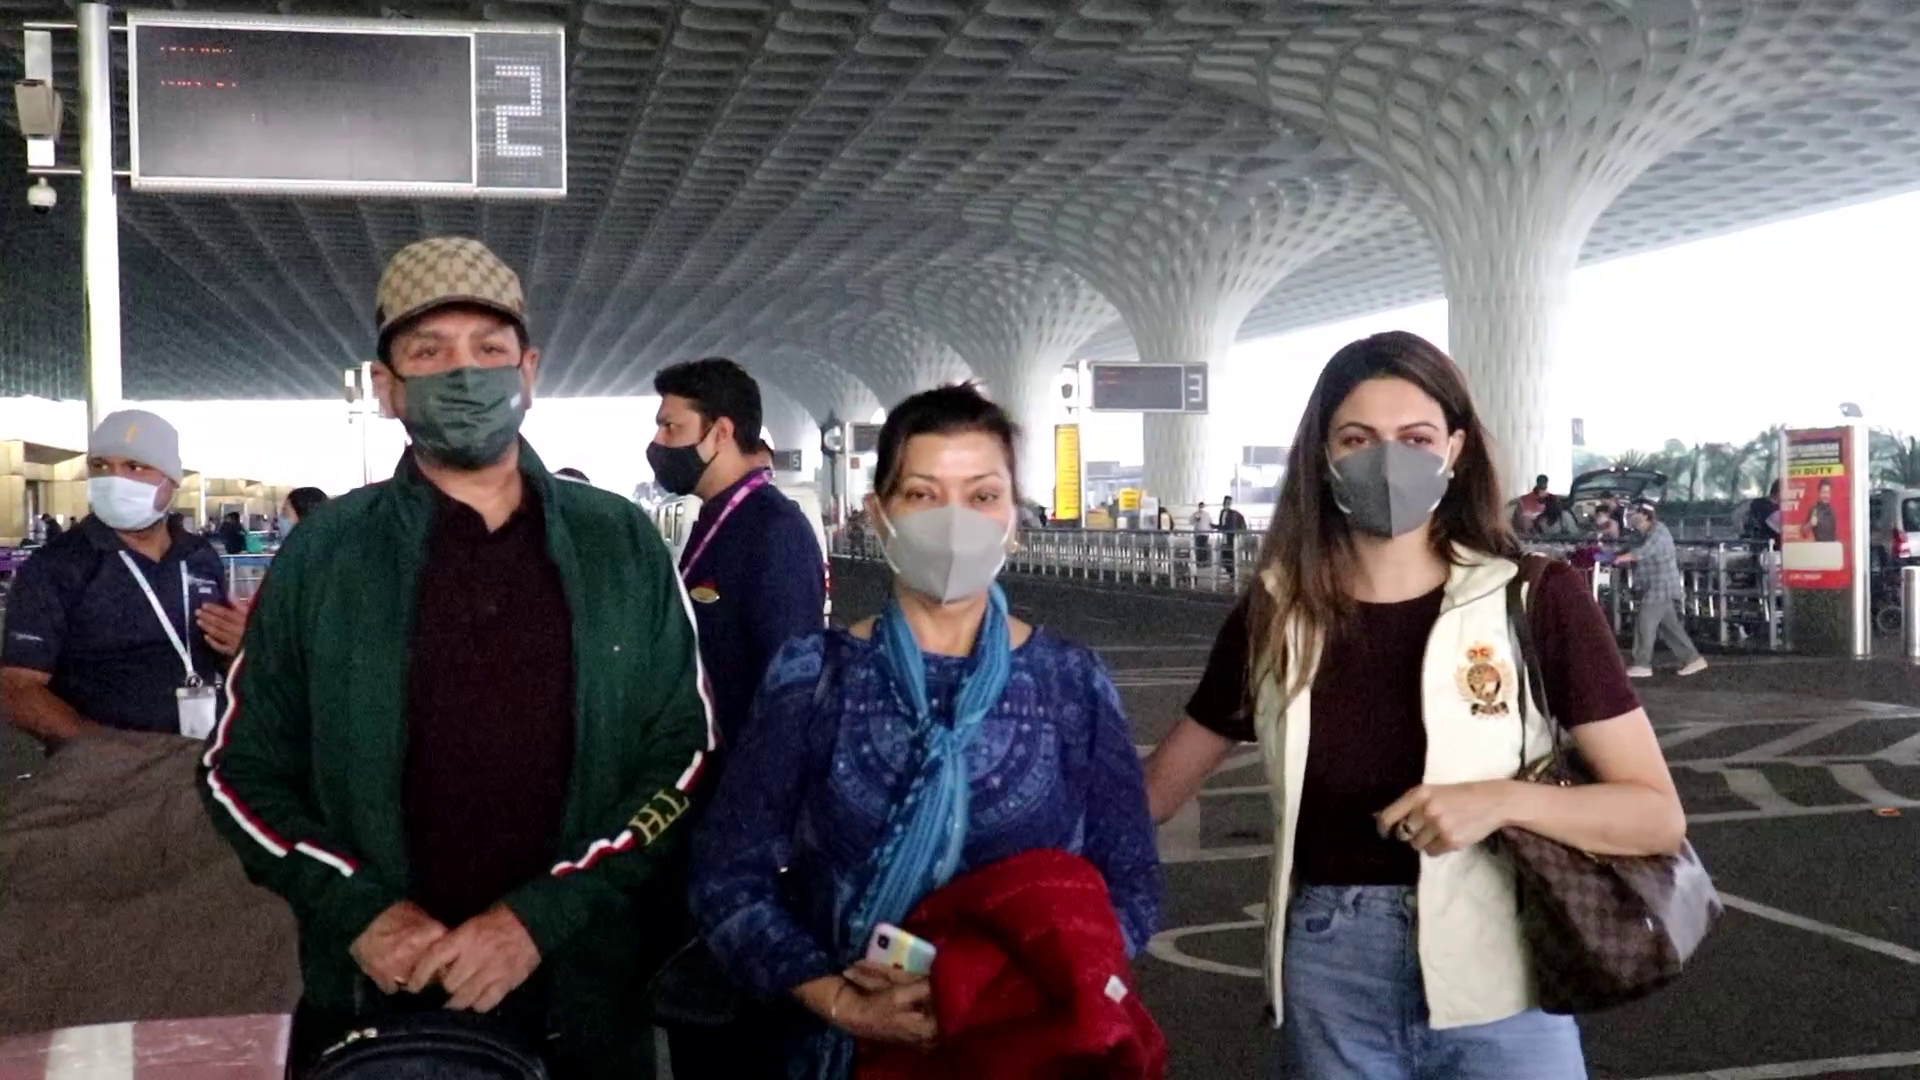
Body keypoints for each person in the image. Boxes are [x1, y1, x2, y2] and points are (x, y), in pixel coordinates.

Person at [198, 237, 714, 1080]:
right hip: (373, 1009)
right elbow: (238, 770)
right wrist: (361, 913)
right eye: (428, 353)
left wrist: (539, 919)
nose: (463, 374)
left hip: (586, 1005)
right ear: (388, 387)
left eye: (489, 350)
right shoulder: (327, 554)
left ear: (529, 372)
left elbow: (682, 760)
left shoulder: (618, 543)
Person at [1141, 331, 1684, 1080]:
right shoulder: (1275, 615)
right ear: (1324, 456)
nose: (1387, 459)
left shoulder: (1535, 598)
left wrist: (1498, 801)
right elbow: (1154, 795)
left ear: (1455, 448)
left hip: (1505, 972)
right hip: (1333, 970)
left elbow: (1654, 813)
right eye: (1358, 438)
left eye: (1416, 437)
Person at [689, 384, 1160, 1078]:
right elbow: (727, 878)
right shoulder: (814, 676)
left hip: (1023, 1048)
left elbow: (1133, 886)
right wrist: (845, 1004)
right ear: (877, 517)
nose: (954, 520)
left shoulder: (1072, 683)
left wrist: (984, 990)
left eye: (982, 496)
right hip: (843, 1052)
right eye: (921, 494)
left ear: (1014, 519)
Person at [646, 357, 829, 1076]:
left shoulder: (772, 530)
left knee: (739, 1037)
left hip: (743, 827)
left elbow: (787, 692)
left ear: (721, 432)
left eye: (670, 425)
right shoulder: (718, 524)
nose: (658, 440)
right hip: (709, 811)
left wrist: (756, 833)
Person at [2, 410, 247, 744]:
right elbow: (18, 687)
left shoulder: (200, 556)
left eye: (135, 466)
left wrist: (241, 649)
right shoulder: (55, 566)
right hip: (108, 778)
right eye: (101, 466)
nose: (114, 479)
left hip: (204, 756)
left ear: (172, 480)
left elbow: (226, 662)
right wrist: (101, 751)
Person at [1615, 502, 1707, 679]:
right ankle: (1692, 658)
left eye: (1634, 513)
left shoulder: (1659, 532)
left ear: (1645, 515)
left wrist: (1619, 559)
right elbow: (1629, 549)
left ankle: (1642, 663)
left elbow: (1641, 552)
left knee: (1645, 622)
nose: (1630, 516)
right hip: (1653, 586)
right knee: (1669, 627)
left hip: (1661, 586)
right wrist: (1611, 555)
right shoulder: (1640, 534)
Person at [1743, 480, 1782, 545]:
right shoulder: (1763, 506)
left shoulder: (1775, 506)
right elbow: (1783, 527)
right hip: (1763, 550)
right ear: (1779, 492)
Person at [1217, 495, 1248, 576]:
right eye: (1226, 502)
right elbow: (1221, 525)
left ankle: (1232, 573)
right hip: (1224, 536)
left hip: (1230, 536)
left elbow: (1239, 520)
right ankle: (1231, 572)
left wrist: (1240, 530)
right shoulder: (1222, 512)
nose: (1227, 503)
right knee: (1225, 555)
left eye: (1229, 502)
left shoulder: (1233, 513)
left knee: (1230, 554)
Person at [1806, 478, 1838, 543]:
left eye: (1828, 492)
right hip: (1818, 550)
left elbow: (1833, 535)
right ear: (1819, 493)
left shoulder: (1832, 511)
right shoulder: (1814, 510)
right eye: (1823, 492)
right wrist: (1810, 524)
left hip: (1830, 549)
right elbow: (1803, 532)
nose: (1826, 495)